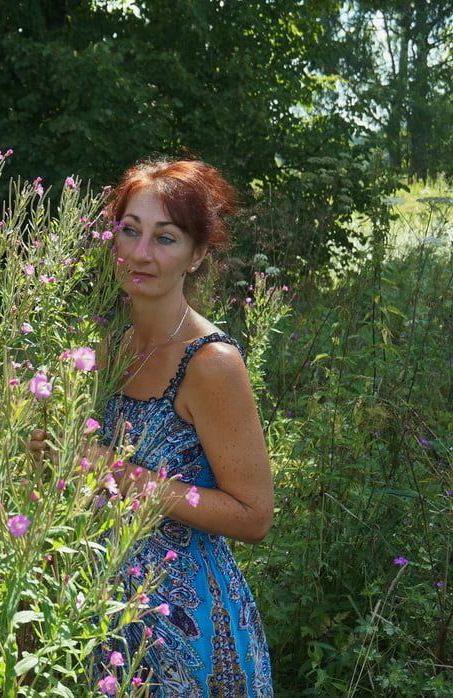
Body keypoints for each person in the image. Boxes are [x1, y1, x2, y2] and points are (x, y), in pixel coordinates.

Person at [29, 158, 274, 696]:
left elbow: (255, 516)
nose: (140, 253)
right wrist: (53, 460)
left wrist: (113, 472)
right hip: (102, 633)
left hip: (193, 644)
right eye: (130, 230)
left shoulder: (210, 363)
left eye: (165, 238)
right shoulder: (109, 348)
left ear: (198, 254)